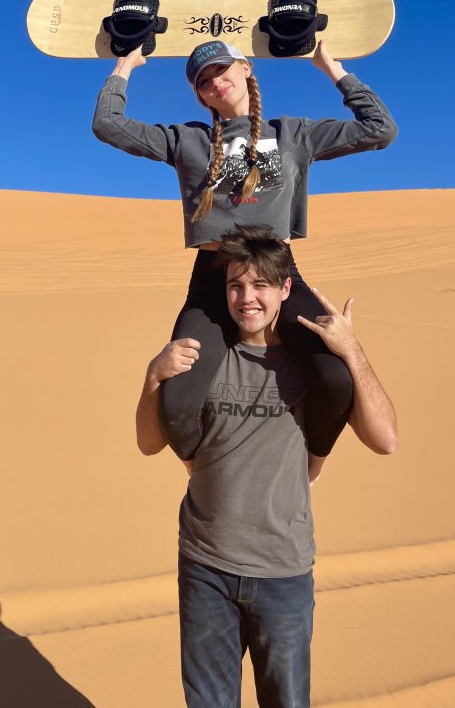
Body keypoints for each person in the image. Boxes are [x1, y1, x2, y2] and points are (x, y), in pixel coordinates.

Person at [93, 38, 397, 461]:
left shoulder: (293, 135)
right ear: (201, 97)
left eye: (221, 69)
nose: (214, 82)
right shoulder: (187, 140)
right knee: (177, 402)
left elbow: (380, 129)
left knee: (335, 378)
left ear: (246, 69)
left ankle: (313, 461)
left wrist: (333, 70)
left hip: (276, 273)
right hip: (213, 277)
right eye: (203, 81)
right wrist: (124, 67)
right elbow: (107, 124)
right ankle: (202, 471)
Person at [136, 224, 398, 708]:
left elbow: (385, 440)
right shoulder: (202, 361)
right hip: (206, 568)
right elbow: (149, 444)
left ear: (285, 289)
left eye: (260, 285)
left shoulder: (313, 368)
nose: (247, 298)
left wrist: (352, 351)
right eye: (236, 285)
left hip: (283, 572)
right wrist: (154, 376)